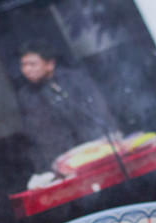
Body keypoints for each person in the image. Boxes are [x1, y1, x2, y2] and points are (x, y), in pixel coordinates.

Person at [16, 42, 119, 170]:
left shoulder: (76, 79)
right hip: (65, 159)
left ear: (50, 64)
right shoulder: (26, 96)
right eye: (23, 65)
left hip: (98, 147)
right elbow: (40, 134)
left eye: (32, 64)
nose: (26, 70)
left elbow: (100, 111)